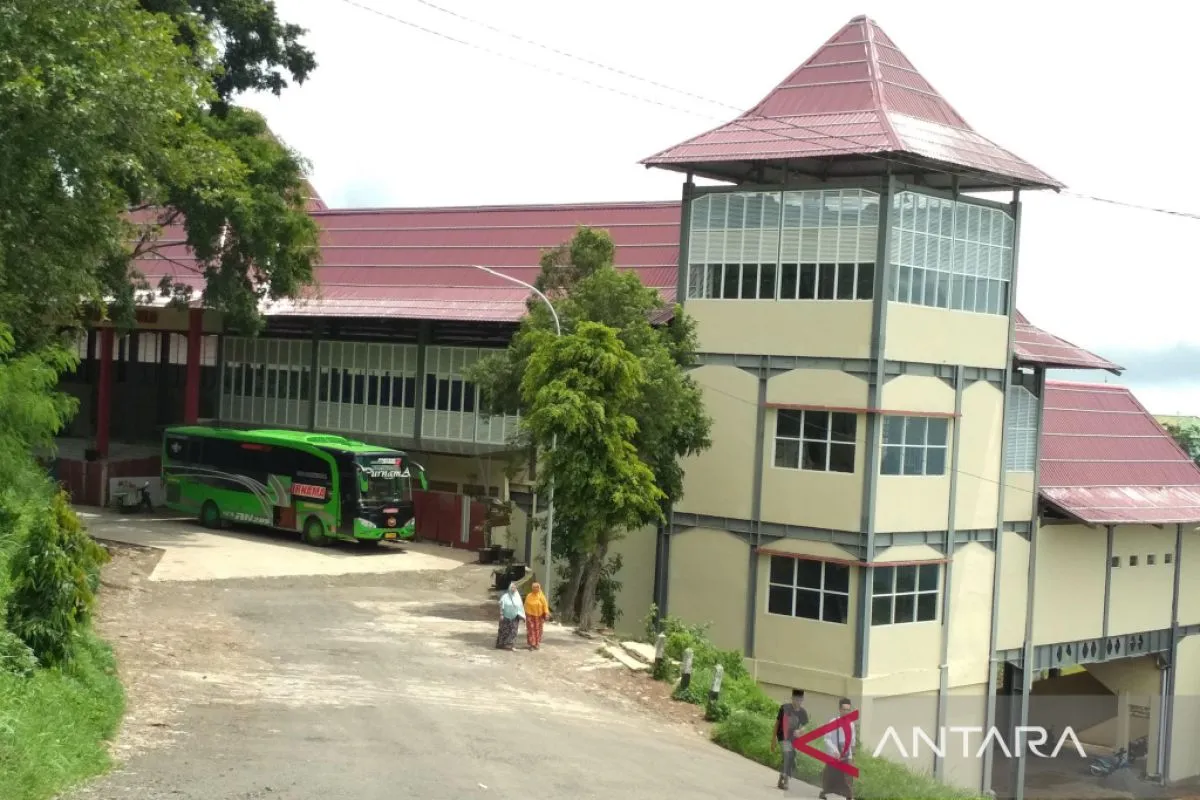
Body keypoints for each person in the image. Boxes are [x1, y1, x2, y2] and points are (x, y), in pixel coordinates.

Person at [771, 688, 809, 790]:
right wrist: (773, 739)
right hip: (782, 736)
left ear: (802, 700)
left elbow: (805, 726)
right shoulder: (784, 708)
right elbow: (777, 723)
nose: (797, 702)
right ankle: (786, 780)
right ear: (792, 698)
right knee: (788, 754)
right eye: (795, 699)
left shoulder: (803, 712)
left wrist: (800, 731)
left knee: (792, 758)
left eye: (800, 700)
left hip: (793, 739)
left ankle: (782, 777)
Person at [819, 697, 856, 800]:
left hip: (846, 755)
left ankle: (849, 797)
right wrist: (834, 750)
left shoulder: (851, 725)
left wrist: (853, 756)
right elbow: (827, 739)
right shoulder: (833, 722)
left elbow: (852, 741)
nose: (846, 712)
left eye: (848, 710)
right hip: (834, 755)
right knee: (829, 776)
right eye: (844, 709)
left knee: (848, 778)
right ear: (840, 710)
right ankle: (824, 792)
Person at [495, 582, 525, 650]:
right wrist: (501, 614)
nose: (513, 589)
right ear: (509, 588)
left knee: (513, 631)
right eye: (512, 587)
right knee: (504, 630)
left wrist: (523, 616)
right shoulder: (505, 597)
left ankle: (511, 645)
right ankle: (502, 644)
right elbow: (501, 605)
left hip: (515, 617)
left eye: (514, 587)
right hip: (505, 617)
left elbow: (520, 607)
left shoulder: (518, 597)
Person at [523, 581, 551, 650]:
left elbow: (545, 605)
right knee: (531, 629)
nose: (535, 588)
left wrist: (546, 613)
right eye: (534, 587)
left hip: (539, 616)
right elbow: (526, 605)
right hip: (530, 615)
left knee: (538, 630)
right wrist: (524, 614)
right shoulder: (529, 596)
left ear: (539, 588)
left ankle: (537, 644)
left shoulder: (541, 596)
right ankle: (532, 644)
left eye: (537, 587)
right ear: (532, 588)